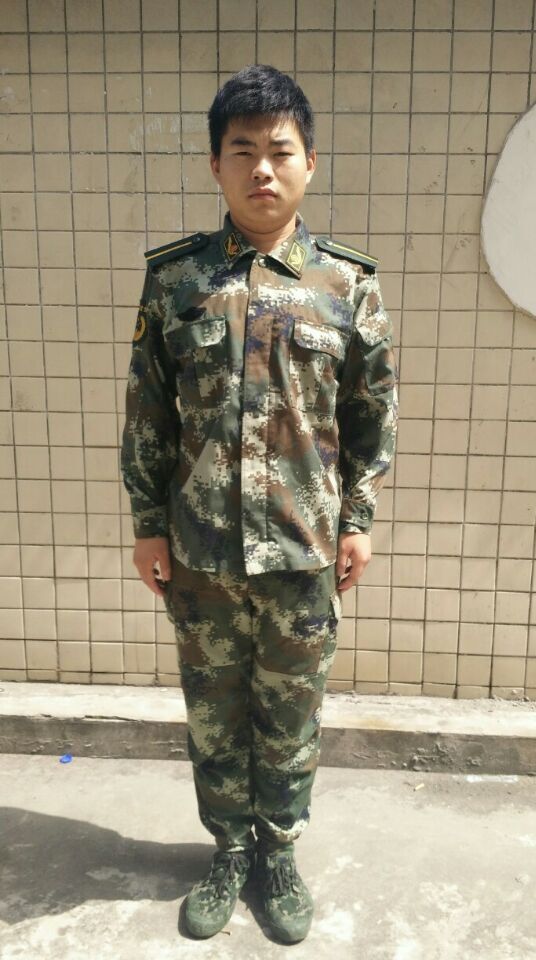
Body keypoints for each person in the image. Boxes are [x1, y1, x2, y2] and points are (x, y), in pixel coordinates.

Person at [121, 64, 398, 944]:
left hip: (302, 549)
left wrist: (358, 519)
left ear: (310, 162)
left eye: (280, 151)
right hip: (201, 551)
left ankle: (277, 853)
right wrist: (148, 525)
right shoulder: (177, 281)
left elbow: (371, 411)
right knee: (214, 715)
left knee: (289, 715)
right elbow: (149, 411)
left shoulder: (346, 286)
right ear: (216, 165)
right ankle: (227, 850)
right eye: (242, 151)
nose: (262, 170)